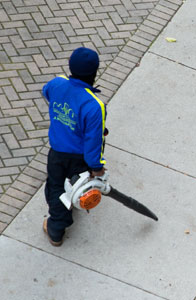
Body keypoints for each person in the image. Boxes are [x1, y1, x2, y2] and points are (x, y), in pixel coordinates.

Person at [42, 47, 107, 246]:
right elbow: (93, 142)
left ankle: (55, 227)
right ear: (95, 73)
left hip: (56, 153)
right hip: (79, 159)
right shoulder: (95, 105)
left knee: (55, 187)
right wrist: (97, 167)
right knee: (77, 188)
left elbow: (46, 94)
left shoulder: (56, 83)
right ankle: (58, 225)